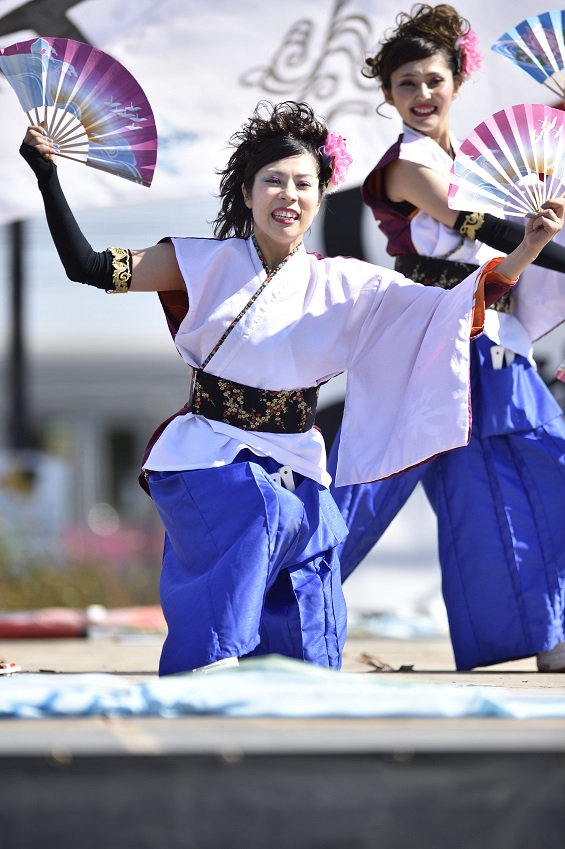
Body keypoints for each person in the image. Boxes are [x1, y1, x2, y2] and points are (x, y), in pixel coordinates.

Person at [20, 99, 564, 677]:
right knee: (259, 513)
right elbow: (89, 266)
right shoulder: (200, 263)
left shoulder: (348, 283)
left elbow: (457, 307)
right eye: (272, 181)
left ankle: (289, 678)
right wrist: (47, 175)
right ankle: (210, 662)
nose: (288, 195)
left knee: (313, 579)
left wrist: (528, 247)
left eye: (303, 183)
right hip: (208, 454)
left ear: (321, 195)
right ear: (247, 193)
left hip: (295, 454)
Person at [327, 3, 565, 673]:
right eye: (405, 83)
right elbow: (479, 225)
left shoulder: (484, 157)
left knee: (522, 478)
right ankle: (264, 616)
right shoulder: (405, 165)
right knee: (362, 487)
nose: (421, 94)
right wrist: (539, 239)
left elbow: (526, 218)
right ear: (387, 95)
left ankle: (543, 636)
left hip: (491, 334)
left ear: (456, 82)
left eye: (432, 79)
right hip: (427, 336)